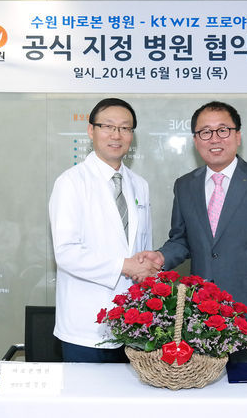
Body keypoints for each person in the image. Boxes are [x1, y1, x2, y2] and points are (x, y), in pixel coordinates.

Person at [139, 101, 247, 363]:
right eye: (205, 132)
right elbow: (181, 240)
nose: (214, 138)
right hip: (199, 317)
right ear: (195, 140)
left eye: (223, 130)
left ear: (237, 136)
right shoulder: (185, 185)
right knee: (203, 387)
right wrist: (161, 257)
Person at [49, 98, 161, 363]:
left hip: (134, 324)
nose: (116, 135)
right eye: (108, 126)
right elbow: (66, 253)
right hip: (85, 325)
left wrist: (147, 266)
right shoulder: (70, 182)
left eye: (125, 128)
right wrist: (124, 265)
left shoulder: (139, 185)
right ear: (91, 130)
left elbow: (142, 247)